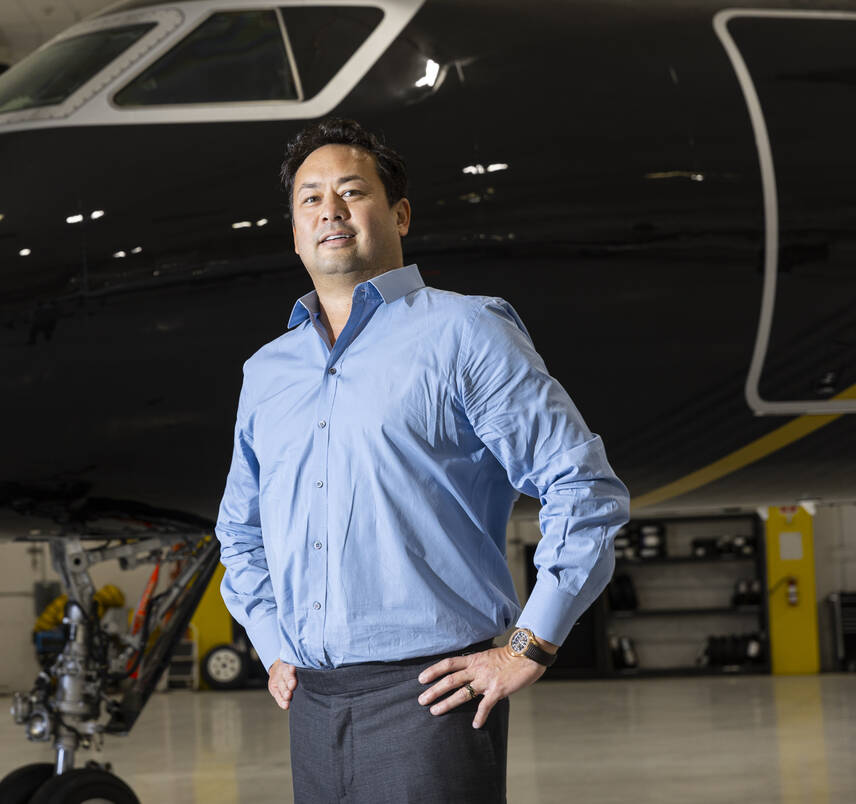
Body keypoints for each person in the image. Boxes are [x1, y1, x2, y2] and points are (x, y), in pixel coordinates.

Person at [214, 118, 629, 803]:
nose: (330, 212)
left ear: (399, 213)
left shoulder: (464, 332)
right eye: (310, 200)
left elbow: (584, 489)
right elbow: (239, 530)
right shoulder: (268, 371)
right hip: (312, 707)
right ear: (293, 230)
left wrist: (532, 645)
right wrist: (270, 640)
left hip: (430, 699)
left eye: (352, 191)